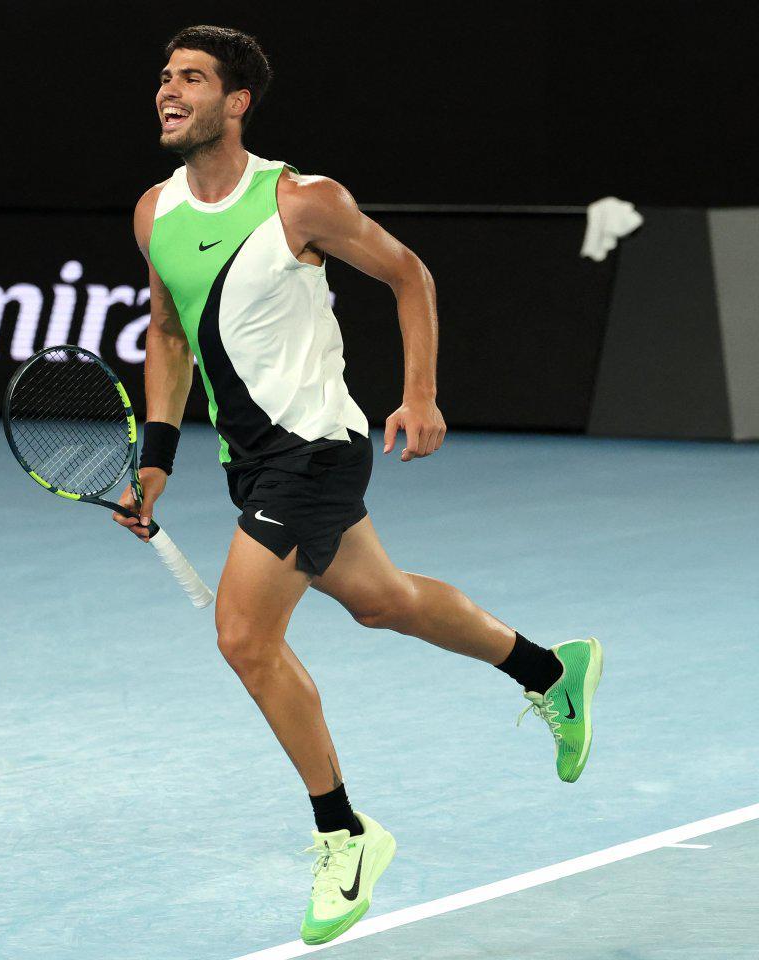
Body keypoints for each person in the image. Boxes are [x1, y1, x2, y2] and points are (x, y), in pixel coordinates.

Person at [114, 24, 603, 946]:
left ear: (236, 102)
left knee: (244, 637)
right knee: (385, 602)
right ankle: (550, 670)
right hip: (250, 459)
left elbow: (409, 275)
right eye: (165, 77)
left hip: (316, 449)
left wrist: (420, 394)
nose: (169, 91)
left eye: (192, 79)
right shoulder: (154, 212)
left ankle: (345, 834)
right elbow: (170, 335)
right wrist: (157, 458)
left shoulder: (301, 201)